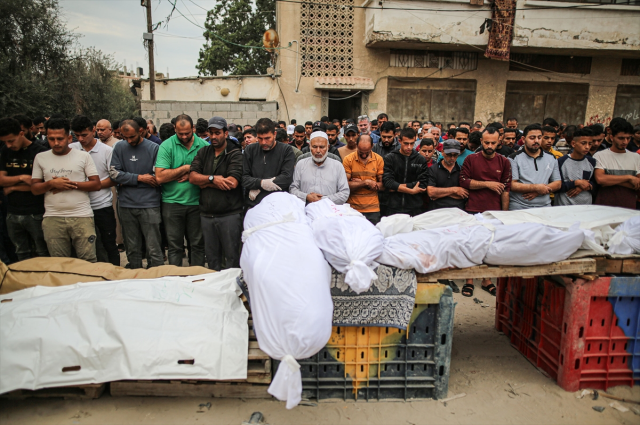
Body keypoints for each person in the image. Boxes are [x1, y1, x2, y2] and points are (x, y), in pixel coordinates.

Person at [31, 117, 101, 261]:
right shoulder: (40, 157)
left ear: (69, 138)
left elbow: (96, 184)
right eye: (51, 139)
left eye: (60, 139)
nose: (56, 143)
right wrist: (51, 184)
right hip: (52, 217)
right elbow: (35, 189)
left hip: (81, 216)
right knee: (59, 263)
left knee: (88, 261)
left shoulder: (83, 156)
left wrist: (70, 185)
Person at [459, 127, 511, 298]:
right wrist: (488, 184)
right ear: (481, 141)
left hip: (494, 211)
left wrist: (504, 214)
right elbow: (464, 182)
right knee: (471, 244)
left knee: (490, 246)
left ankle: (486, 279)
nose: (489, 145)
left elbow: (505, 190)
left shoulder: (504, 162)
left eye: (493, 143)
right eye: (486, 142)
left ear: (499, 142)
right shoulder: (471, 159)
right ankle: (469, 280)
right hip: (473, 208)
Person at [189, 117, 243, 270]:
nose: (213, 137)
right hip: (207, 214)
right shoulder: (203, 152)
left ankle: (232, 292)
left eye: (217, 133)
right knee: (212, 260)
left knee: (232, 258)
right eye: (211, 133)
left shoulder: (234, 153)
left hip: (229, 214)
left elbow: (231, 183)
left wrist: (204, 182)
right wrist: (213, 179)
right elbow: (192, 177)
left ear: (225, 133)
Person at [110, 119, 164, 269]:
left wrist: (127, 177)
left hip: (149, 203)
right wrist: (140, 178)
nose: (128, 140)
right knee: (131, 245)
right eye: (124, 137)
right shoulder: (119, 147)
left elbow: (156, 176)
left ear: (141, 131)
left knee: (153, 246)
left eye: (132, 137)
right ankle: (134, 272)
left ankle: (157, 274)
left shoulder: (154, 148)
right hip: (126, 204)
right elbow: (114, 174)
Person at [155, 114, 207, 267]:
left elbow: (210, 175)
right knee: (174, 246)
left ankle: (196, 278)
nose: (184, 136)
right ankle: (175, 279)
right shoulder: (166, 145)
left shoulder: (204, 146)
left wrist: (191, 176)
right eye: (180, 133)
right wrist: (185, 168)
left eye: (187, 133)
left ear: (193, 129)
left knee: (197, 245)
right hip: (172, 203)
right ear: (175, 130)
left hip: (197, 202)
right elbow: (160, 177)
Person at [69, 115, 119, 266]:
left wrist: (93, 185)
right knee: (83, 246)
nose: (81, 139)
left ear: (93, 131)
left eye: (84, 135)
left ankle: (115, 274)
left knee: (108, 243)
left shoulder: (106, 151)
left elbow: (114, 178)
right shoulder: (71, 149)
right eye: (77, 135)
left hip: (101, 205)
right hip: (78, 207)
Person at [0, 117, 49, 260]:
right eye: (5, 142)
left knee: (42, 251)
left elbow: (42, 185)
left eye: (11, 140)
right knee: (20, 253)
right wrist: (22, 178)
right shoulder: (5, 151)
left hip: (36, 211)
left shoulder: (39, 152)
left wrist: (13, 187)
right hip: (12, 212)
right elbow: (2, 180)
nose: (8, 145)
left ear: (21, 133)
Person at [242, 118, 296, 208]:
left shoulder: (286, 150)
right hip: (254, 204)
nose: (264, 142)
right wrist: (261, 183)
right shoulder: (250, 150)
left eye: (267, 138)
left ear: (274, 134)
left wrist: (258, 186)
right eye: (260, 138)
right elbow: (244, 178)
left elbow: (286, 178)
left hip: (278, 204)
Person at [508, 124, 561, 211]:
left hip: (544, 206)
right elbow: (512, 185)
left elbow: (557, 183)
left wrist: (538, 191)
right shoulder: (514, 158)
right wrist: (536, 187)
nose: (536, 141)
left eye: (539, 138)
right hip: (519, 206)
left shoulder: (551, 157)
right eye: (532, 138)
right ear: (523, 139)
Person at [290, 132, 349, 205]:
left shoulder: (337, 166)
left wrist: (322, 199)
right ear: (309, 147)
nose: (318, 151)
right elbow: (293, 189)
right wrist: (306, 197)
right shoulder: (301, 164)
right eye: (314, 147)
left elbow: (344, 193)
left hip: (330, 211)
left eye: (322, 147)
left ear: (328, 147)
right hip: (305, 211)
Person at [593, 119, 640, 209]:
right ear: (612, 137)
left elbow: (638, 184)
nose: (625, 142)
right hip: (604, 207)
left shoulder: (636, 157)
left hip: (628, 208)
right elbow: (601, 179)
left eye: (628, 138)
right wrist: (629, 177)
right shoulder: (600, 155)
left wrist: (610, 179)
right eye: (621, 138)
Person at [382, 128, 428, 217]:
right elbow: (387, 182)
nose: (409, 147)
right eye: (406, 143)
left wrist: (397, 187)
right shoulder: (390, 158)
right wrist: (411, 190)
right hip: (393, 207)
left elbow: (422, 183)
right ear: (400, 141)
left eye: (412, 143)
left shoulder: (420, 159)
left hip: (414, 208)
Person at [343, 135, 384, 224]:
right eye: (361, 152)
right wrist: (365, 182)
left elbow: (383, 186)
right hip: (353, 208)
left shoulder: (378, 160)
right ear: (356, 146)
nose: (364, 155)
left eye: (367, 152)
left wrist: (363, 183)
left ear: (372, 146)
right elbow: (345, 185)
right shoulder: (348, 159)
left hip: (373, 209)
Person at [555, 128, 596, 206]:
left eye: (590, 144)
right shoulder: (561, 161)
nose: (587, 147)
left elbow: (595, 183)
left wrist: (585, 186)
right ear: (573, 144)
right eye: (583, 143)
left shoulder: (592, 162)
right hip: (564, 206)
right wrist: (575, 183)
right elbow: (556, 186)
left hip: (585, 206)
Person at [426, 140, 468, 211]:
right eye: (449, 155)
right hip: (437, 210)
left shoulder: (462, 170)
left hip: (457, 210)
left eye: (455, 155)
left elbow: (464, 194)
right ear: (442, 152)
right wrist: (454, 190)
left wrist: (439, 194)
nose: (452, 158)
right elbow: (431, 192)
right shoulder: (433, 169)